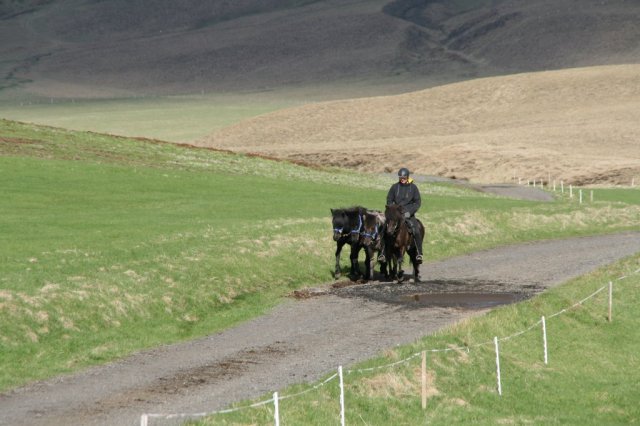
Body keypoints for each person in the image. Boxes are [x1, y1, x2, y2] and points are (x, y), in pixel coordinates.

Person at [378, 167, 424, 263]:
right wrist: (392, 210)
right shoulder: (394, 187)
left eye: (404, 178)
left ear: (407, 177)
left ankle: (419, 253)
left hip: (408, 214)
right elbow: (389, 199)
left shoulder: (414, 188)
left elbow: (417, 203)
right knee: (384, 230)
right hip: (395, 215)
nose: (402, 179)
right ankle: (382, 253)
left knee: (416, 230)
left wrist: (408, 213)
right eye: (400, 178)